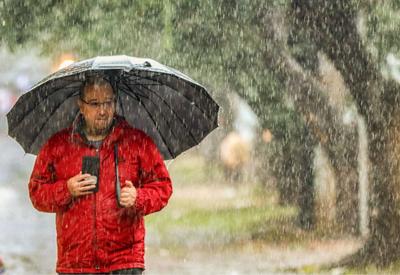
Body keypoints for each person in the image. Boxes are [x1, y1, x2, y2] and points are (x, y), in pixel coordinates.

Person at [29, 76, 173, 274]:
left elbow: (163, 186)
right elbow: (37, 192)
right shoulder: (58, 145)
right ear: (81, 105)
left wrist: (138, 197)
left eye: (108, 102)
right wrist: (66, 189)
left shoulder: (137, 141)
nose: (103, 110)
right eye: (95, 103)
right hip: (75, 263)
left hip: (124, 262)